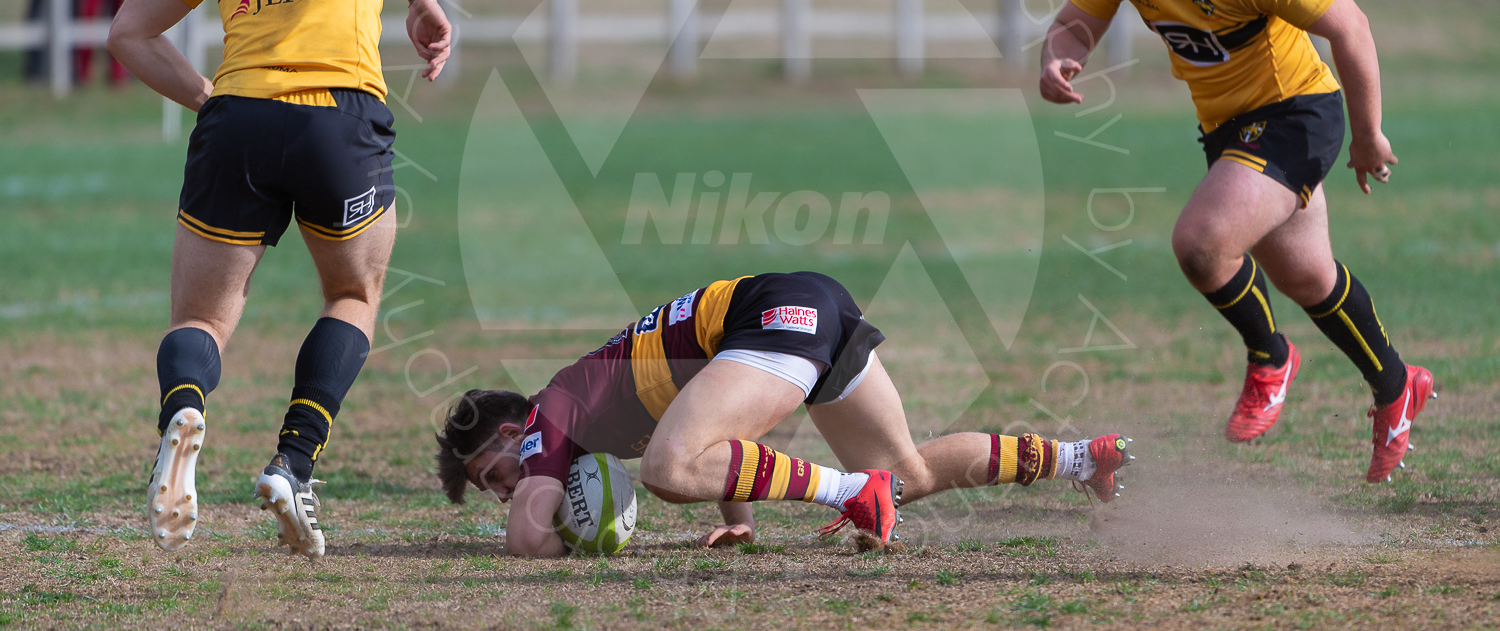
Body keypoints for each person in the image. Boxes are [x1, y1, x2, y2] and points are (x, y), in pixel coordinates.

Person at [107, 0, 452, 559]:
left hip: (239, 121)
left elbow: (128, 32)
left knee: (201, 321)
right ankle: (293, 465)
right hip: (341, 119)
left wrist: (207, 99)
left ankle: (184, 412)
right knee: (352, 296)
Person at [1038, 0, 1435, 484]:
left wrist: (1368, 136)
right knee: (1308, 278)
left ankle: (1270, 356)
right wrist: (1058, 57)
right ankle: (1396, 385)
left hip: (1298, 112)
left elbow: (1352, 28)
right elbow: (1074, 25)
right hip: (1229, 128)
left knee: (1201, 244)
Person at [435, 271, 1132, 557]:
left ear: (508, 432)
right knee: (907, 475)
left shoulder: (549, 418)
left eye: (490, 474)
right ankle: (1082, 459)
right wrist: (736, 520)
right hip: (807, 309)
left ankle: (856, 494)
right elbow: (716, 422)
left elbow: (528, 537)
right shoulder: (588, 411)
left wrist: (553, 522)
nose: (503, 488)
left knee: (666, 467)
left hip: (773, 317)